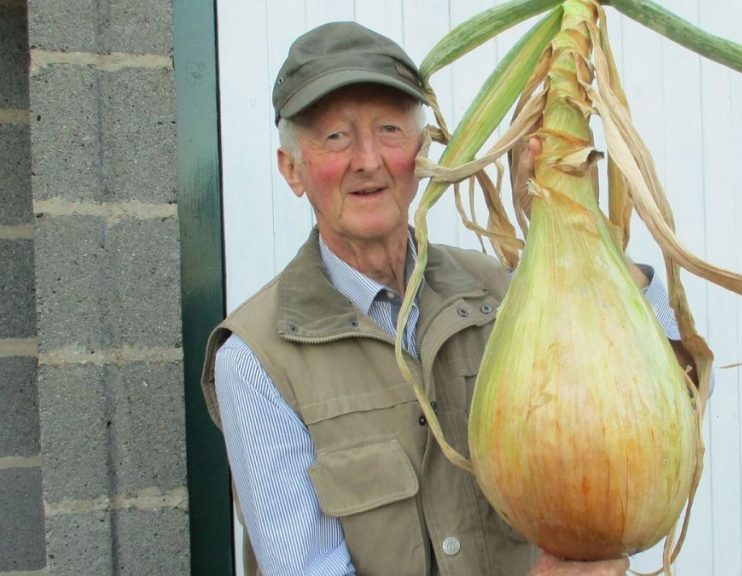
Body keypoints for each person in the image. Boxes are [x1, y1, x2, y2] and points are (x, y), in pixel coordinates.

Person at [202, 21, 688, 576]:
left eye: (389, 129)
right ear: (293, 169)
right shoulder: (256, 358)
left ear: (422, 150)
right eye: (335, 136)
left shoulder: (505, 288)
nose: (368, 159)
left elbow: (676, 394)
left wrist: (574, 222)